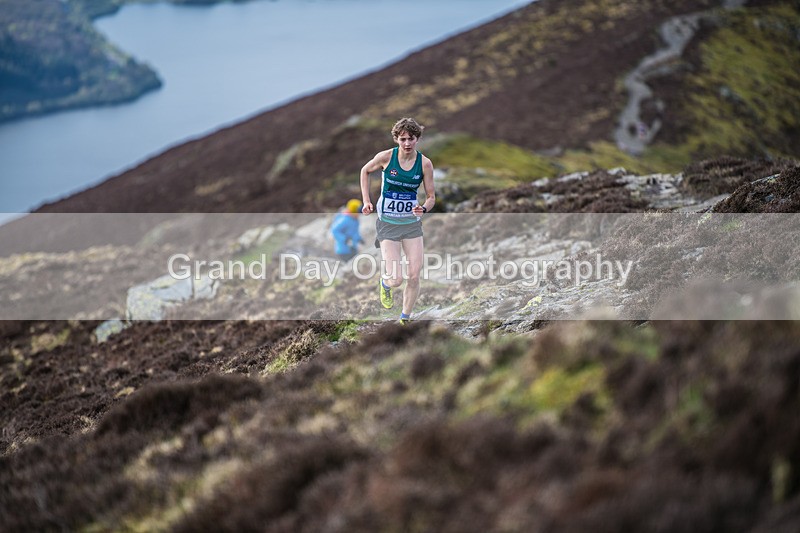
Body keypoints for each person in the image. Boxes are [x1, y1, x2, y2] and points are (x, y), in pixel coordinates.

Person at [360, 117, 435, 324]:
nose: (407, 143)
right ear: (396, 139)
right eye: (403, 139)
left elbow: (431, 197)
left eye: (411, 138)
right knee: (396, 279)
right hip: (388, 225)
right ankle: (384, 283)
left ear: (417, 138)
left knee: (413, 275)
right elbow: (365, 171)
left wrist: (423, 209)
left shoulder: (425, 164)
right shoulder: (386, 157)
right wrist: (367, 202)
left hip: (411, 225)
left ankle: (405, 318)